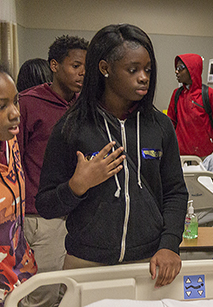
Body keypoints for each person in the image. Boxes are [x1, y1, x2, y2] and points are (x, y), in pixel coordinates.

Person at [35, 24, 188, 288]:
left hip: (150, 262)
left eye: (148, 70)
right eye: (133, 70)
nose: (143, 77)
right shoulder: (72, 127)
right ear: (104, 68)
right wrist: (77, 185)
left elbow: (175, 192)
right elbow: (46, 205)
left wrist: (170, 244)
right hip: (86, 264)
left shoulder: (160, 127)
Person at [17, 35, 88, 306]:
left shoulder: (84, 106)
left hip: (77, 212)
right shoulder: (28, 103)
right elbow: (15, 158)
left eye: (86, 66)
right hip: (40, 216)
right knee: (42, 295)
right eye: (75, 65)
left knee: (68, 294)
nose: (82, 72)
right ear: (55, 66)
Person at [0, 66, 38, 304]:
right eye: (1, 106)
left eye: (15, 102)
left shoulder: (10, 143)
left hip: (18, 273)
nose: (15, 113)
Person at [167, 53, 213, 158]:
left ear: (191, 69)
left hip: (206, 156)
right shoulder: (177, 95)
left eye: (180, 68)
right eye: (176, 68)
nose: (176, 71)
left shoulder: (209, 94)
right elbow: (170, 123)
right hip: (181, 156)